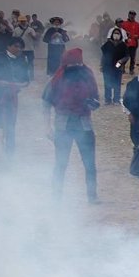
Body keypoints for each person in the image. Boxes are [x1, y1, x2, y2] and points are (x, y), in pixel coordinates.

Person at [42, 48, 100, 203]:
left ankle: (92, 196)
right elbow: (46, 102)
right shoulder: (57, 79)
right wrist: (47, 126)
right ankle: (56, 196)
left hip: (84, 124)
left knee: (89, 164)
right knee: (61, 163)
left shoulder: (87, 76)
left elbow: (96, 100)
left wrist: (92, 103)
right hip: (63, 125)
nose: (76, 66)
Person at [100, 28, 129, 105]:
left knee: (117, 83)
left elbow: (126, 56)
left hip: (117, 66)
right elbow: (103, 55)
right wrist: (101, 65)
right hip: (107, 66)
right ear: (112, 34)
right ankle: (108, 99)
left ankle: (116, 99)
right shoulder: (107, 44)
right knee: (107, 83)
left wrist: (121, 61)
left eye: (118, 33)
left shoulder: (123, 45)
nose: (116, 35)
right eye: (115, 33)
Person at [12, 14, 38, 80]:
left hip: (30, 49)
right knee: (20, 63)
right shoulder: (16, 30)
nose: (23, 22)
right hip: (20, 50)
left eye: (24, 21)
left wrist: (31, 35)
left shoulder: (31, 29)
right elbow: (13, 40)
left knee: (31, 63)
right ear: (19, 22)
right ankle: (22, 76)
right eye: (21, 21)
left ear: (26, 21)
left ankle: (32, 76)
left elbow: (35, 39)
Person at [122, 10, 139, 75]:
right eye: (131, 14)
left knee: (132, 57)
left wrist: (134, 36)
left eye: (133, 15)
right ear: (128, 15)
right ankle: (122, 68)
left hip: (134, 44)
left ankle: (131, 69)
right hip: (125, 43)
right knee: (125, 56)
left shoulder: (137, 24)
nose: (132, 16)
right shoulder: (123, 23)